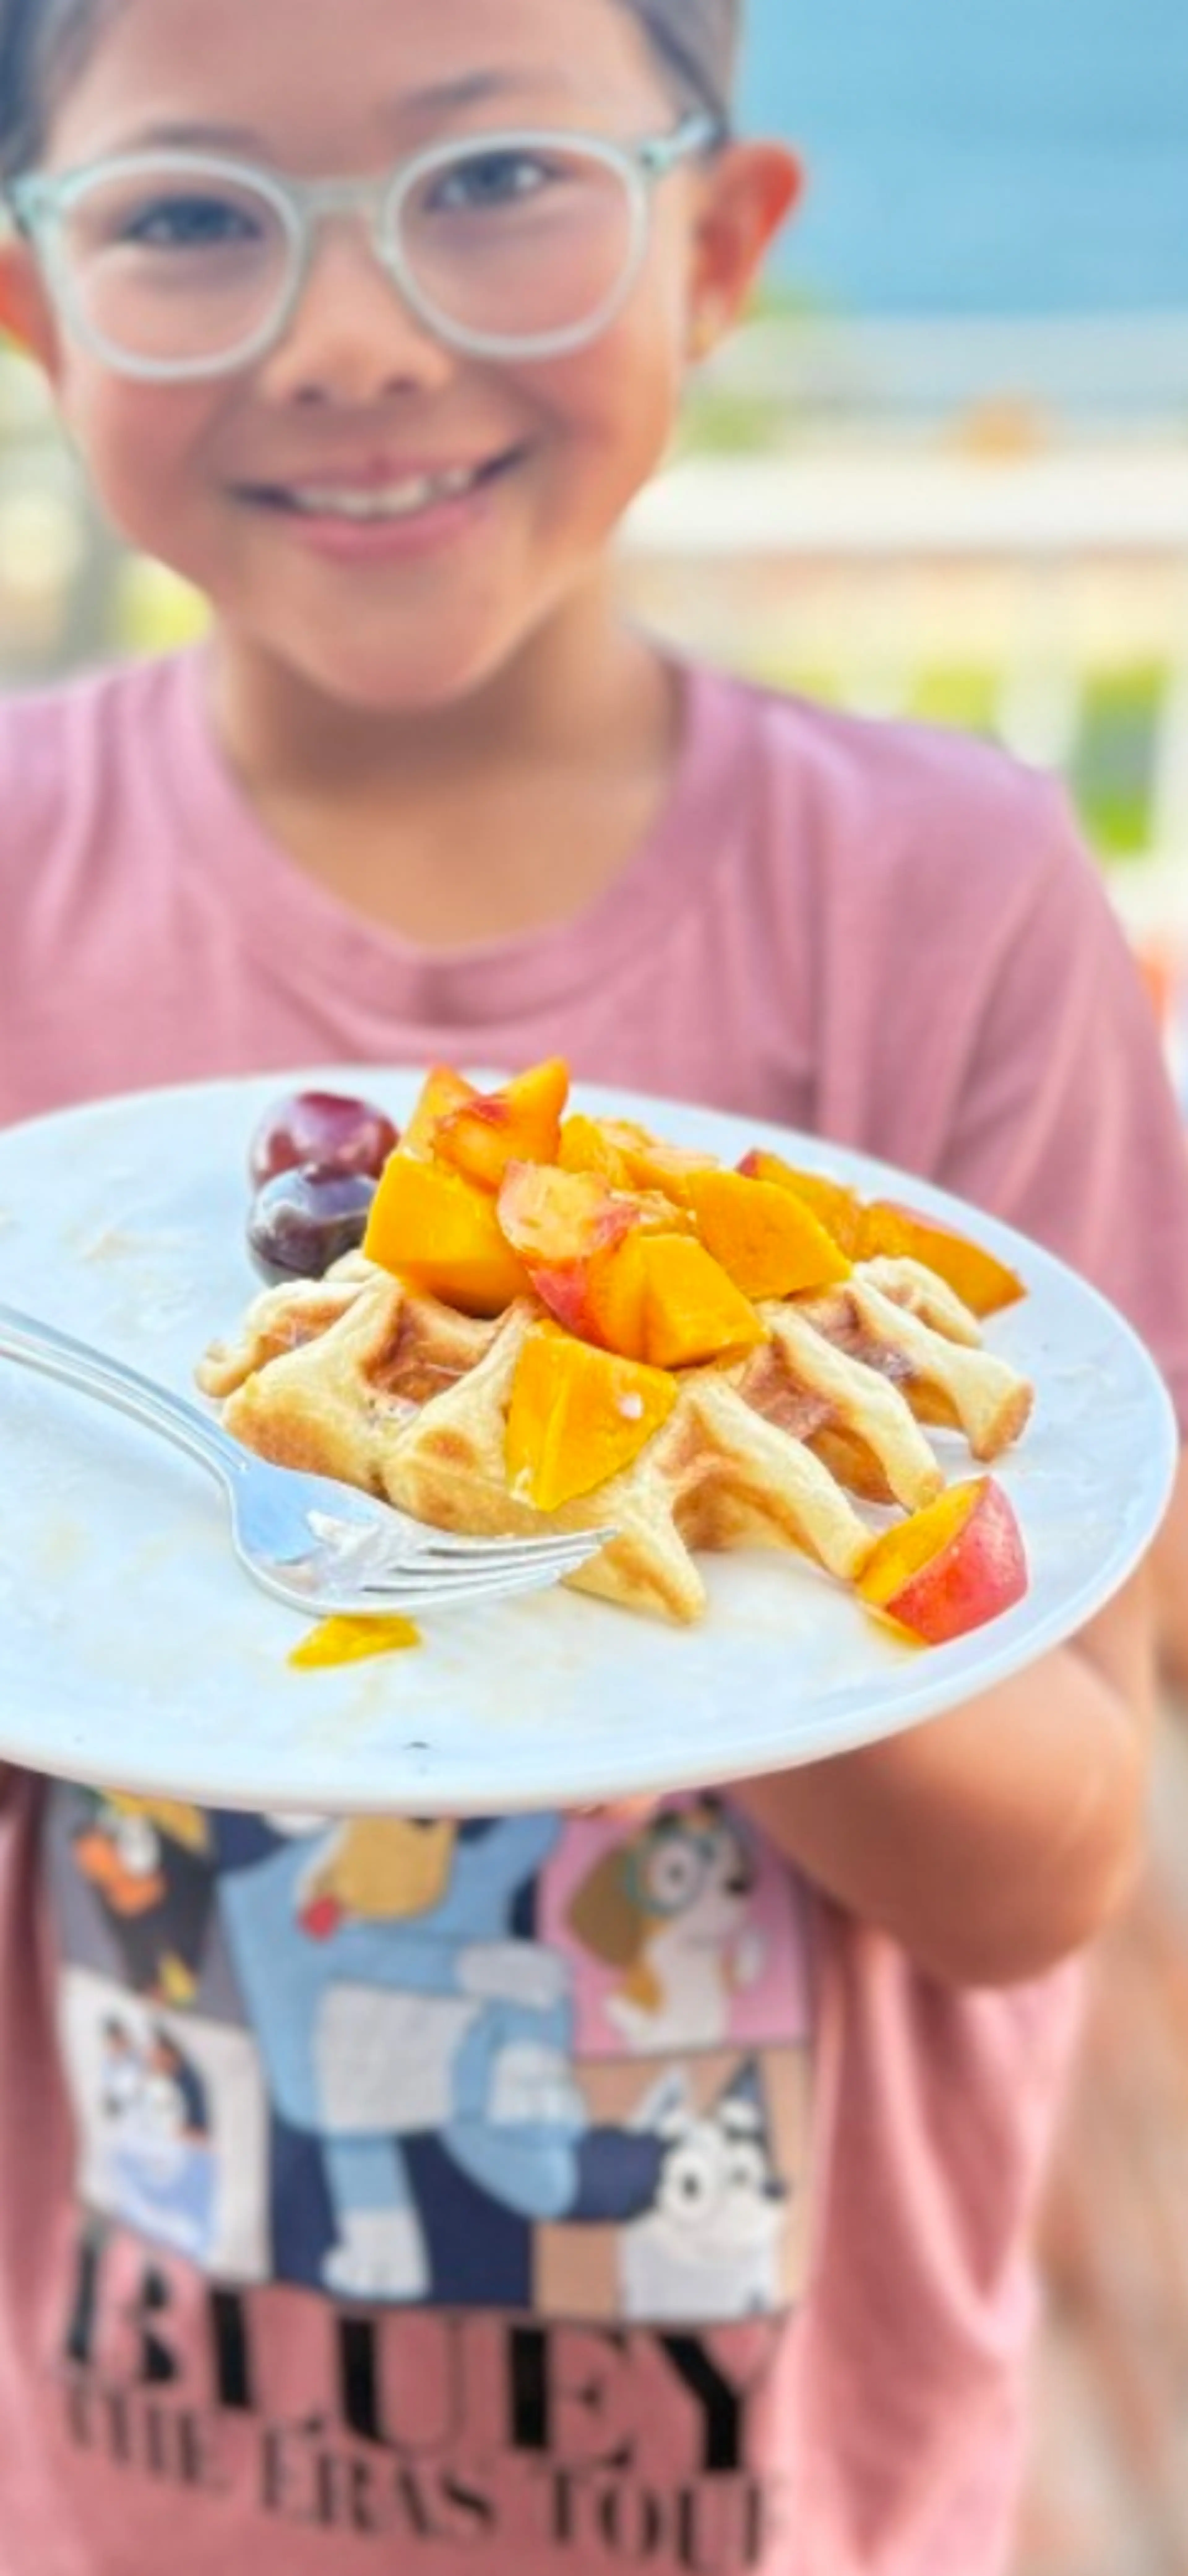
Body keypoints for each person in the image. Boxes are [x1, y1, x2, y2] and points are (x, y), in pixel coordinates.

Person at [0, 1, 1186, 2569]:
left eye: (495, 176)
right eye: (193, 215)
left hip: (790, 2507)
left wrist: (647, 1492)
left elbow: (1055, 1856)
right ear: (31, 311)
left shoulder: (951, 906)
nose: (351, 330)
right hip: (126, 2475)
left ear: (727, 244)